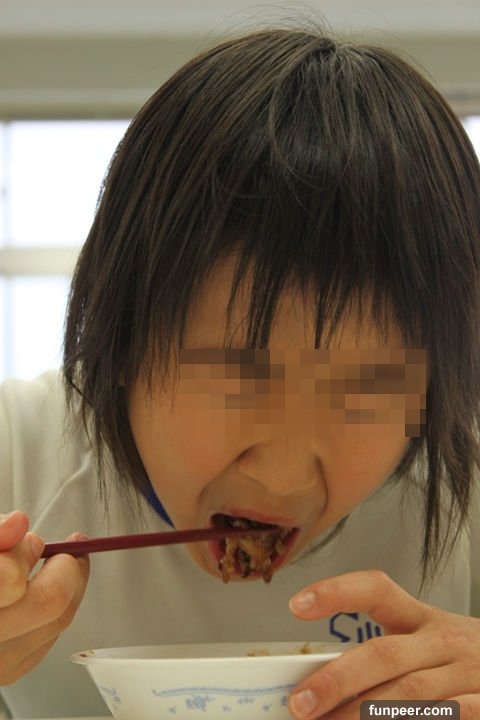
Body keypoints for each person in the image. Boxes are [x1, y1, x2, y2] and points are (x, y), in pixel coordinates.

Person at [1, 24, 480, 719]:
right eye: (239, 377)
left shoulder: (464, 487)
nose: (284, 477)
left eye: (370, 392)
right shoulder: (15, 457)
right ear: (122, 334)